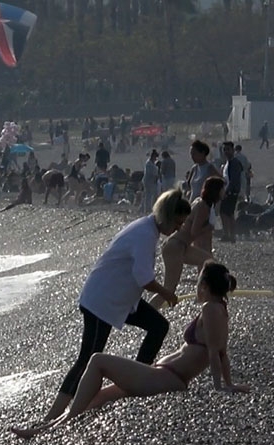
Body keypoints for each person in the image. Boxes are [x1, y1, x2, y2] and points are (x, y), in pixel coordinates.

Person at [12, 261, 249, 439]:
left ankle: (51, 426)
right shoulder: (218, 309)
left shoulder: (211, 308)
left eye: (198, 282)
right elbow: (220, 351)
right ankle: (48, 428)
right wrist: (227, 383)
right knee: (98, 396)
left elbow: (217, 352)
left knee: (97, 360)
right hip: (162, 374)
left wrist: (222, 386)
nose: (196, 287)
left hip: (167, 378)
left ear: (205, 286)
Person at [40, 189, 191, 421]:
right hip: (102, 301)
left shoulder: (147, 228)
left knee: (158, 326)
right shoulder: (144, 234)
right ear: (167, 217)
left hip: (121, 300)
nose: (178, 229)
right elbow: (144, 278)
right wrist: (167, 293)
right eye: (177, 223)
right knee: (88, 357)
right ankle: (53, 415)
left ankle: (139, 379)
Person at [149, 179, 224, 309]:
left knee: (209, 261)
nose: (224, 192)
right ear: (216, 191)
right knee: (169, 289)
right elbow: (194, 231)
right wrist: (210, 227)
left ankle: (202, 297)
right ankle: (147, 312)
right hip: (175, 246)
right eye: (222, 189)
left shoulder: (201, 203)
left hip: (181, 245)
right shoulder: (204, 207)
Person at [220, 141, 244, 243]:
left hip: (231, 192)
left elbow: (234, 180)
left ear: (233, 150)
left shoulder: (234, 163)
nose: (226, 152)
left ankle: (228, 235)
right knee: (228, 213)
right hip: (229, 191)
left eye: (228, 149)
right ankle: (230, 235)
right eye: (224, 149)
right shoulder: (227, 163)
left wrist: (227, 191)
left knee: (225, 213)